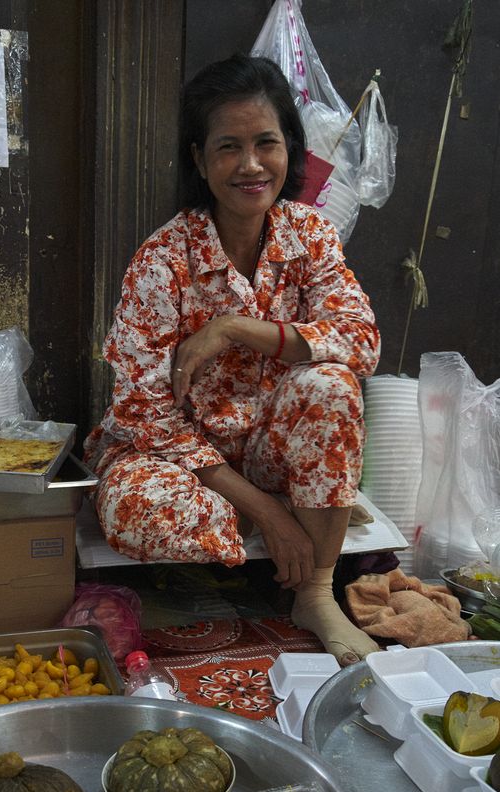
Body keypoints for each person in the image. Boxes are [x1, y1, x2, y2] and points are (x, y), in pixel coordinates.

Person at [84, 53, 381, 666]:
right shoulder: (163, 260)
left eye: (266, 143)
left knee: (331, 384)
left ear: (289, 149)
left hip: (270, 448)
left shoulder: (312, 237)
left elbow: (361, 341)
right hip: (183, 462)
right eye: (228, 147)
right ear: (199, 158)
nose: (250, 165)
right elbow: (144, 415)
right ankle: (307, 523)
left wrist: (236, 328)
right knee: (135, 509)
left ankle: (315, 593)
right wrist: (267, 508)